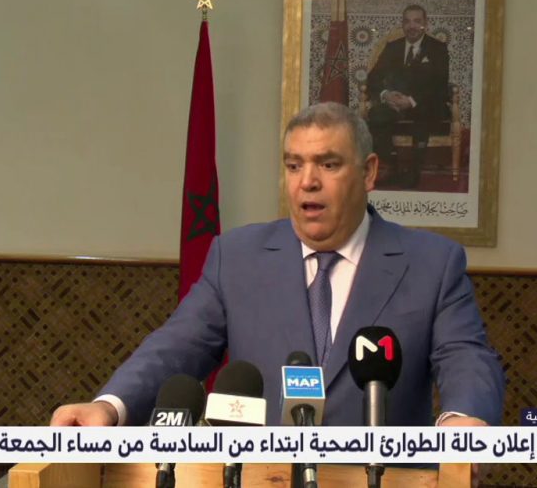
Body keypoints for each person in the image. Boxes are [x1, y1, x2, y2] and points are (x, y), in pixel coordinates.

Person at [51, 102, 503, 430]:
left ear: (368, 172)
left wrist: (463, 418)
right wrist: (110, 406)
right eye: (294, 165)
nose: (307, 182)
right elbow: (176, 346)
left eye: (328, 164)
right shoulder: (236, 257)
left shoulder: (431, 263)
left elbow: (464, 355)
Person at [366, 4, 450, 189]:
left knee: (424, 114)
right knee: (376, 115)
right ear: (402, 24)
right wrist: (386, 95)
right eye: (407, 21)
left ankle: (413, 172)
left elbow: (439, 85)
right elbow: (373, 78)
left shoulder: (438, 48)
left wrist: (411, 101)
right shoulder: (392, 48)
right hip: (394, 104)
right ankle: (391, 166)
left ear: (425, 23)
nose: (412, 26)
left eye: (417, 21)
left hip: (424, 104)